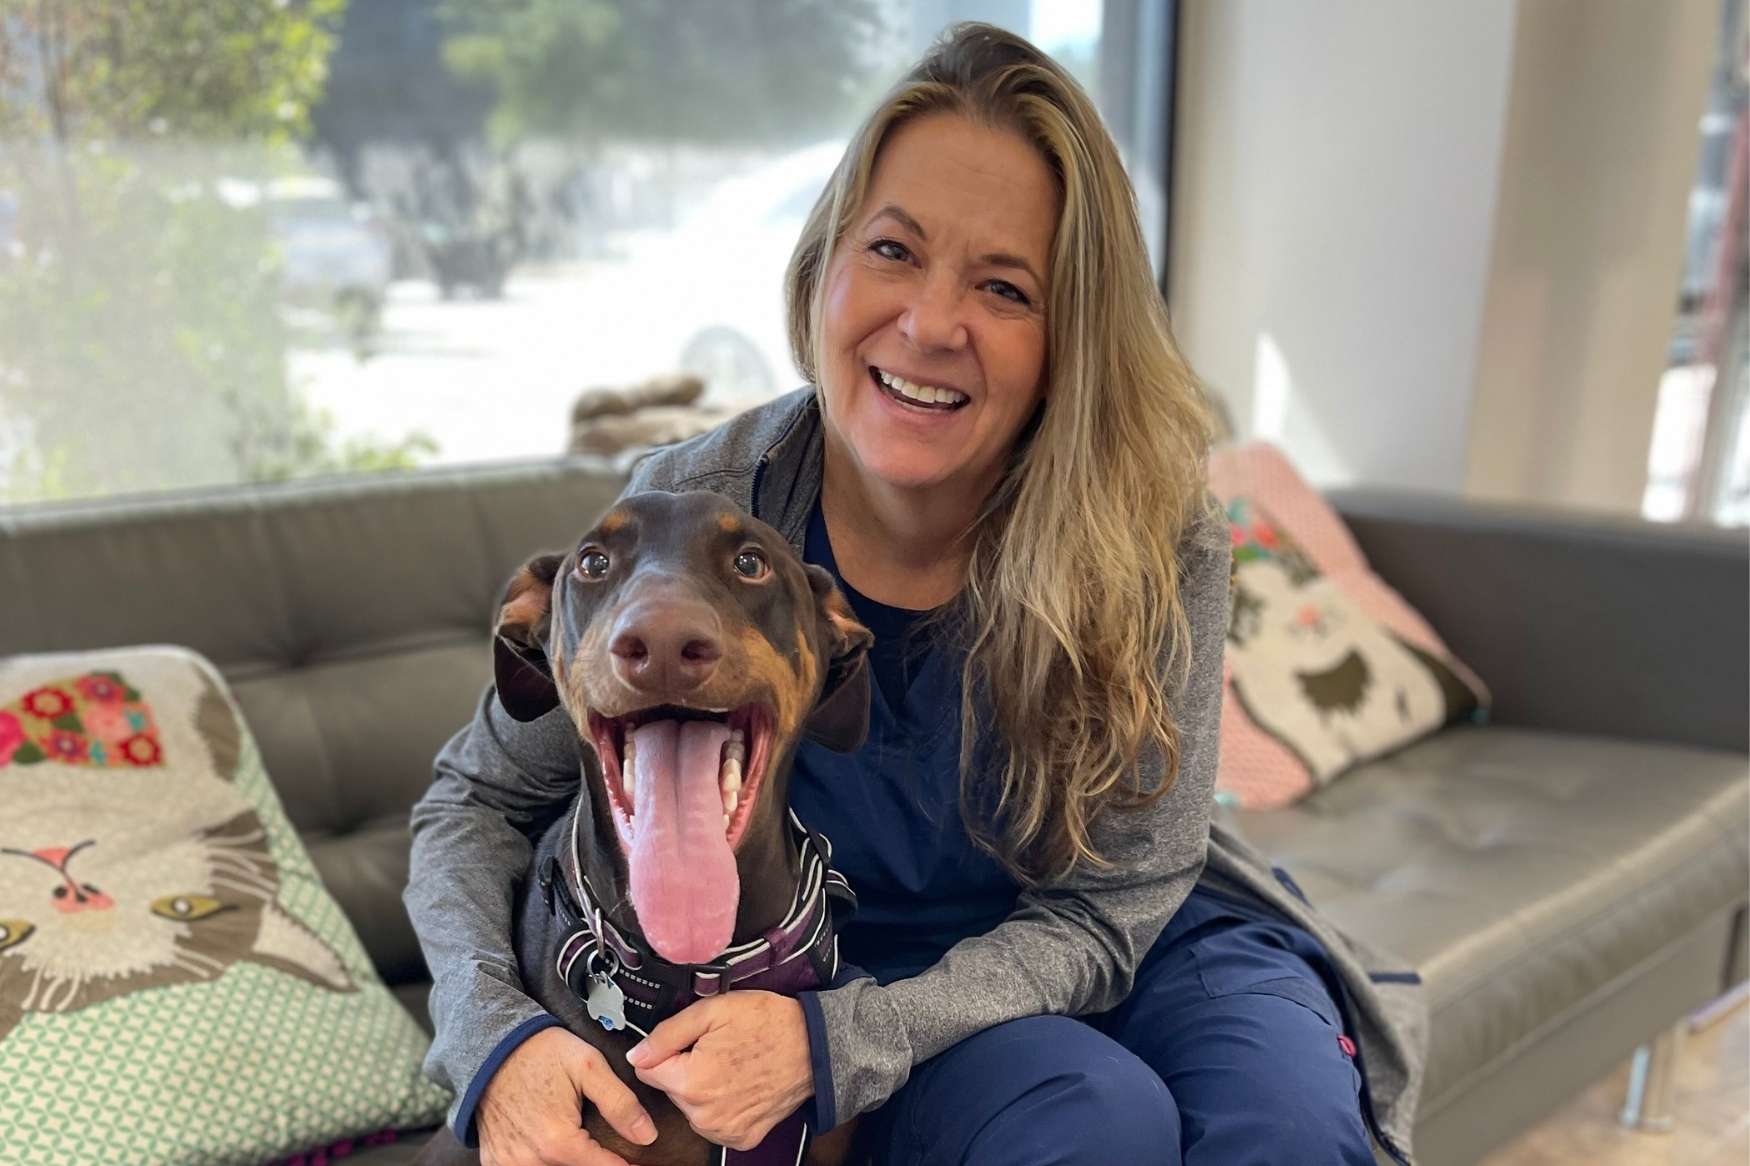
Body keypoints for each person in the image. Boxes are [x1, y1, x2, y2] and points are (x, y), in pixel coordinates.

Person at [406, 22, 1427, 1166]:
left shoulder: (1153, 529)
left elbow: (1120, 898)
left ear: (1068, 336)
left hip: (1126, 935)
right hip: (872, 978)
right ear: (825, 263)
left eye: (1003, 286)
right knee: (1087, 1117)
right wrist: (490, 1033)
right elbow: (477, 802)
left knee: (1284, 1134)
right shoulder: (695, 512)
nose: (932, 324)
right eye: (893, 251)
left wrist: (842, 1039)